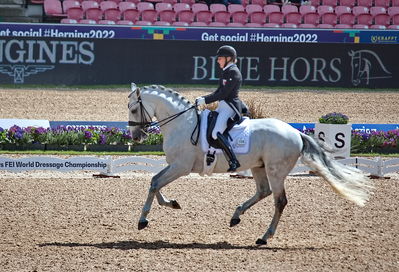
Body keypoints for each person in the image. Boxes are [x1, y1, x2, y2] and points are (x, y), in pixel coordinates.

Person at [195, 45, 243, 172]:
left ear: (228, 58)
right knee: (208, 125)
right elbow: (218, 91)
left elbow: (223, 94)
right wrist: (204, 98)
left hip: (230, 107)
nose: (218, 60)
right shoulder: (227, 71)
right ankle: (211, 152)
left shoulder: (233, 72)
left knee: (217, 133)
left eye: (220, 58)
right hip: (222, 106)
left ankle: (233, 160)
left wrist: (205, 100)